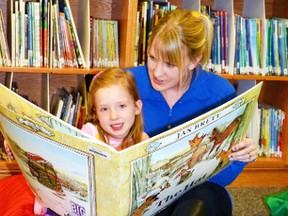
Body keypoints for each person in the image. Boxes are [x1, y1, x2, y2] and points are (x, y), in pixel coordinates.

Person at [126, 9, 258, 215]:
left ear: (193, 61)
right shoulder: (127, 83)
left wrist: (241, 154)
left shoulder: (220, 93)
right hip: (139, 197)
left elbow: (221, 173)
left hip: (196, 195)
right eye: (152, 58)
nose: (157, 72)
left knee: (204, 201)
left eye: (170, 64)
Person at [82, 67, 149, 150]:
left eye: (121, 106)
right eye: (104, 109)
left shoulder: (142, 140)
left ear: (137, 107)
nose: (113, 116)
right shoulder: (89, 134)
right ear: (96, 113)